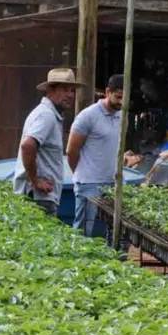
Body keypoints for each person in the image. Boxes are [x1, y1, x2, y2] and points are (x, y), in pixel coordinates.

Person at [13, 68, 83, 216]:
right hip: (39, 198)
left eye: (72, 91)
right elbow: (27, 146)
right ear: (50, 90)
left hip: (40, 197)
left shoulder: (49, 114)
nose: (70, 95)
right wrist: (35, 180)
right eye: (64, 90)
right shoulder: (47, 115)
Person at [66, 74, 124, 237]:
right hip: (89, 184)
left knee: (112, 231)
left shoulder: (121, 116)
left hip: (113, 183)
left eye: (125, 98)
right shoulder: (88, 116)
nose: (121, 102)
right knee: (85, 232)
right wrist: (81, 174)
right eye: (118, 97)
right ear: (107, 92)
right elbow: (71, 150)